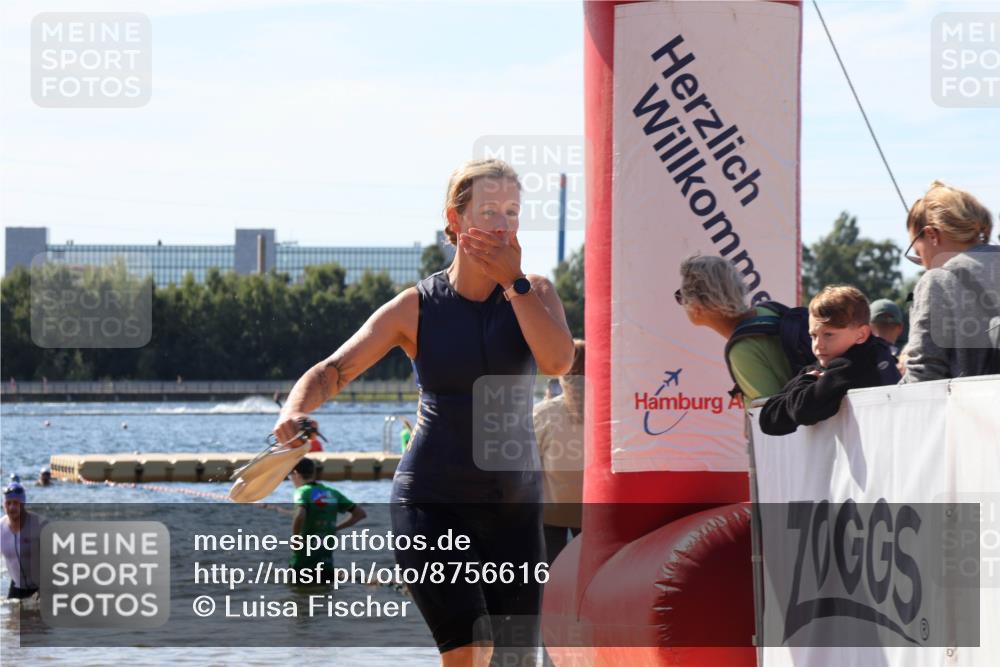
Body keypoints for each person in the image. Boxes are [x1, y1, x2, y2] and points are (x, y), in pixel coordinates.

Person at [272, 158, 574, 667]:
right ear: (454, 221)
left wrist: (513, 283)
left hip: (514, 509)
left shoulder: (536, 293)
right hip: (433, 502)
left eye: (513, 212)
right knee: (470, 652)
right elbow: (334, 370)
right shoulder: (415, 307)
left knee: (516, 661)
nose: (503, 224)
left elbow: (556, 361)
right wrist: (294, 411)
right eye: (489, 211)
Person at [759, 285, 901, 436]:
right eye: (813, 336)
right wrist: (807, 380)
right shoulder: (818, 368)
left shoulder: (855, 365)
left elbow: (804, 411)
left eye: (828, 335)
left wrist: (806, 382)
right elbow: (768, 420)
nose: (818, 344)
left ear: (861, 334)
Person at [900, 181, 1000, 382]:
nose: (923, 264)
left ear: (931, 234)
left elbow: (924, 375)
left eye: (919, 253)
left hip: (978, 411)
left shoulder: (938, 281)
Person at [677, 254, 794, 405]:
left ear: (697, 306)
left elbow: (772, 418)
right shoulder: (769, 310)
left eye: (680, 296)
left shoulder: (742, 350)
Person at [532, 340, 584, 565]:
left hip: (550, 513)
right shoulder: (612, 413)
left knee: (547, 579)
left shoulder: (544, 413)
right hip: (595, 512)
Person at [288, 458, 365, 582]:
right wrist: (335, 528)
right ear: (313, 472)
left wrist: (295, 539)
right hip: (326, 564)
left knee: (297, 597)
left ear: (296, 473)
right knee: (325, 597)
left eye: (289, 475)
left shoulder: (302, 492)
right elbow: (360, 514)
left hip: (302, 564)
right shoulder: (332, 492)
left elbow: (300, 514)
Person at [1, 483, 47, 599]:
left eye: (16, 503)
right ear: (3, 505)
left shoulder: (39, 525)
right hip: (17, 587)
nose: (12, 507)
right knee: (12, 616)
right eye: (8, 503)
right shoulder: (1, 528)